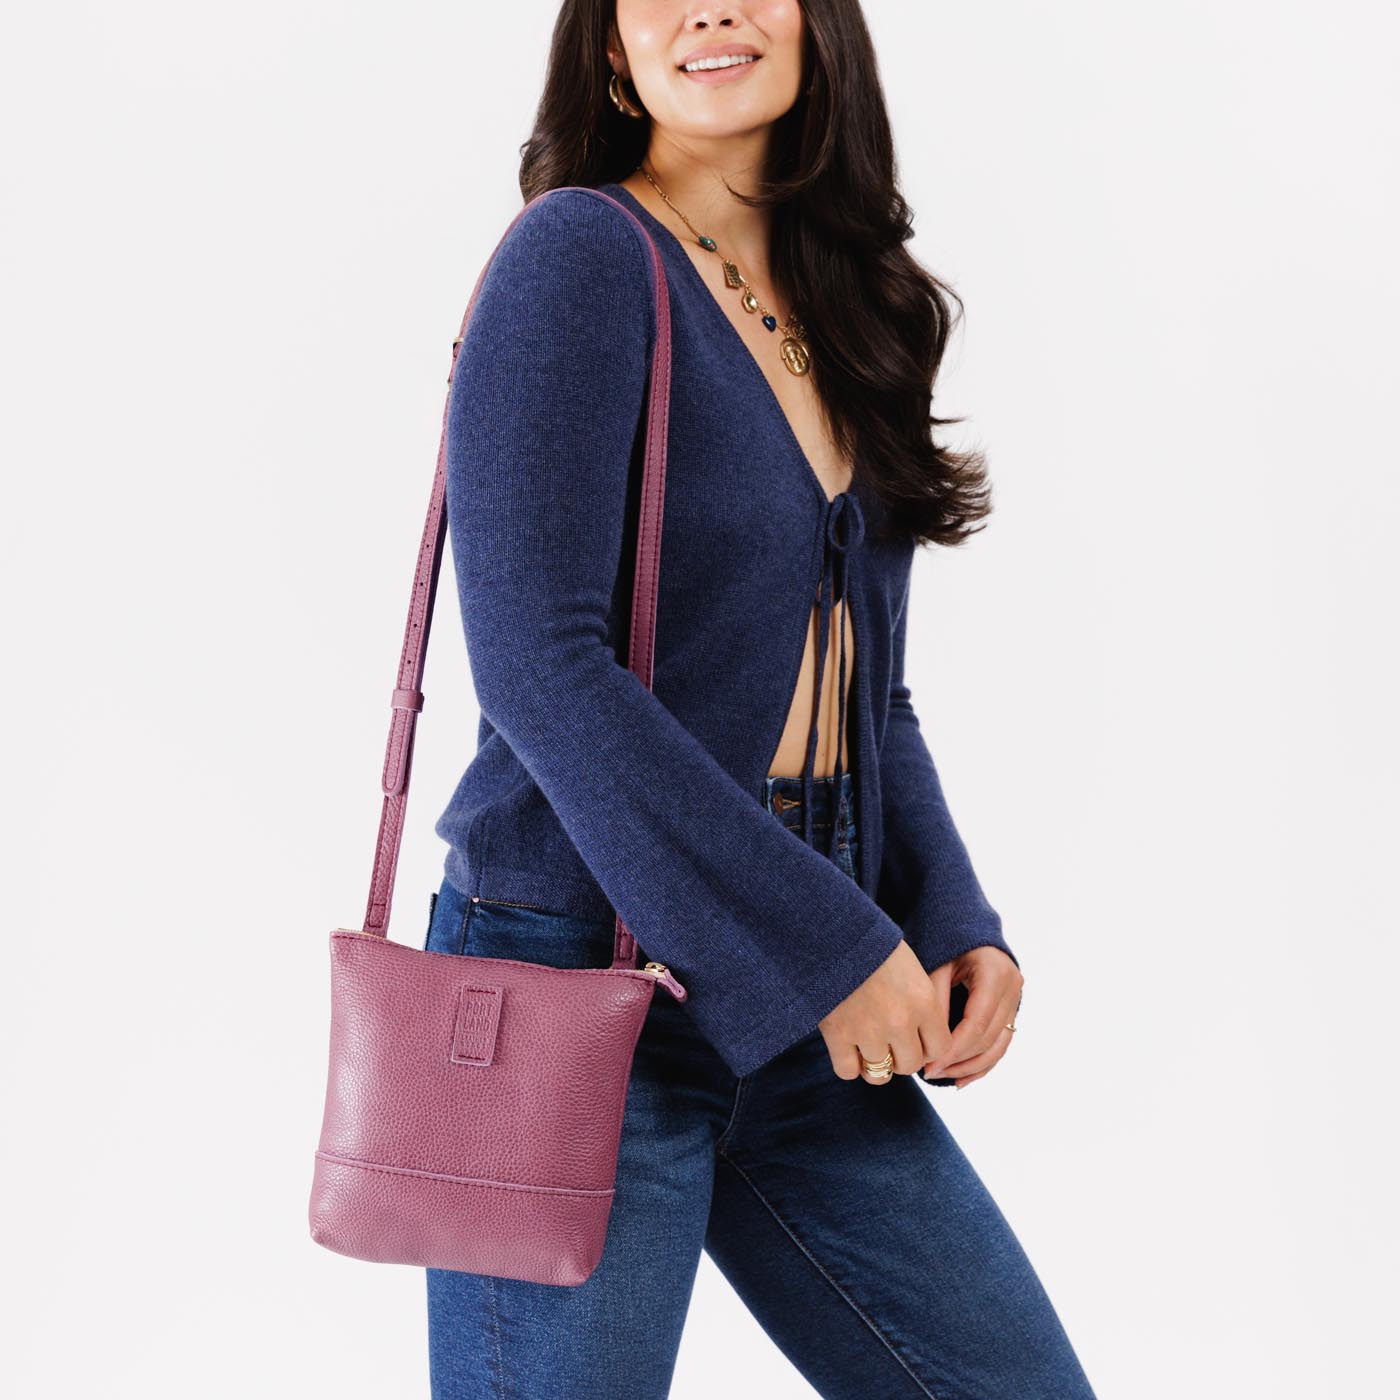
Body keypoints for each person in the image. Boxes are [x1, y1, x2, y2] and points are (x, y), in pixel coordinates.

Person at [422, 3, 1097, 1396]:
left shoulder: (856, 302)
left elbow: (867, 688)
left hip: (803, 969)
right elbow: (539, 666)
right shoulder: (582, 257)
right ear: (611, 49)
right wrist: (831, 946)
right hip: (578, 977)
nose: (711, 9)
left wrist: (949, 914)